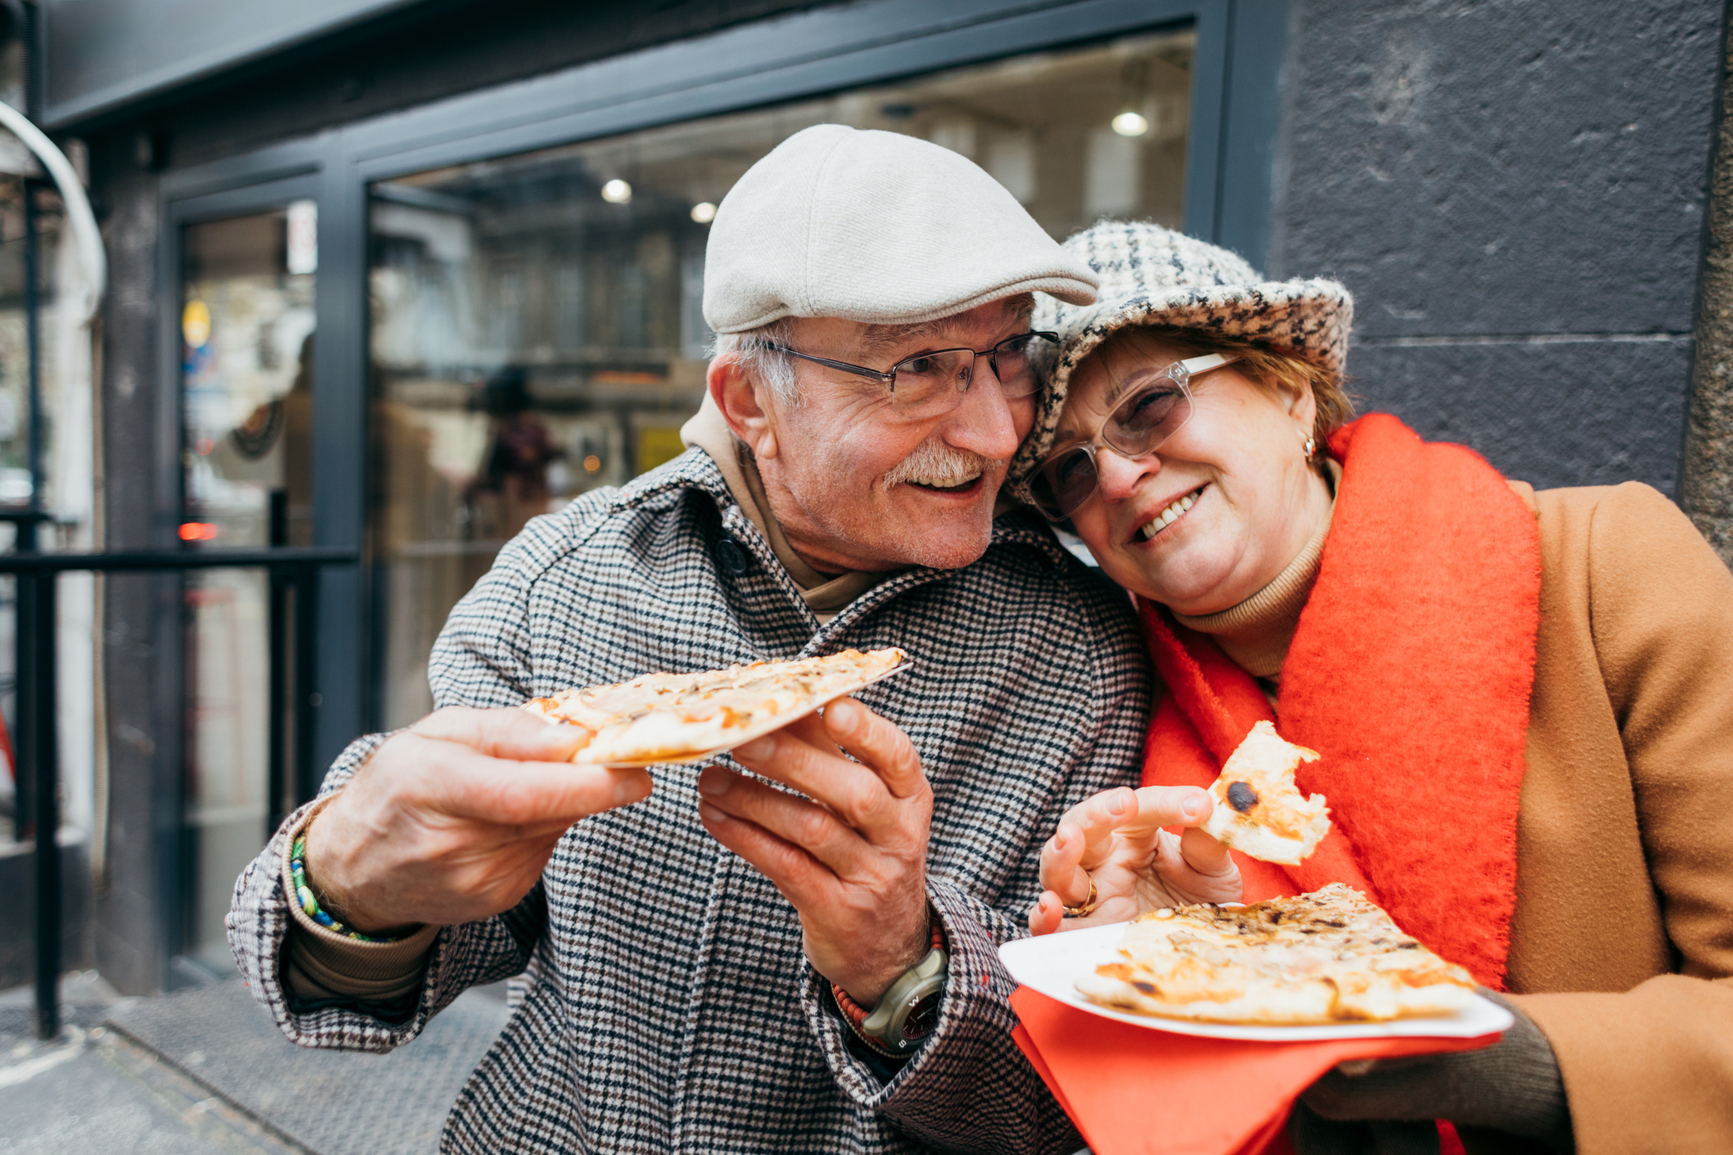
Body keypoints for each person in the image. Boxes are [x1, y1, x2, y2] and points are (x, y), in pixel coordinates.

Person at [228, 128, 1236, 1155]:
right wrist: (346, 888)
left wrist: (903, 966)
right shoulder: (567, 577)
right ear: (749, 401)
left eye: (1008, 354)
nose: (991, 431)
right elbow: (438, 934)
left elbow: (1058, 1108)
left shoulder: (1084, 652)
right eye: (919, 369)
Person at [1015, 220, 1733, 1154]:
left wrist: (1498, 1057)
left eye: (1148, 406)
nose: (1113, 474)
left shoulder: (1606, 568)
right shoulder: (1121, 719)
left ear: (1282, 385)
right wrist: (1165, 990)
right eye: (1067, 469)